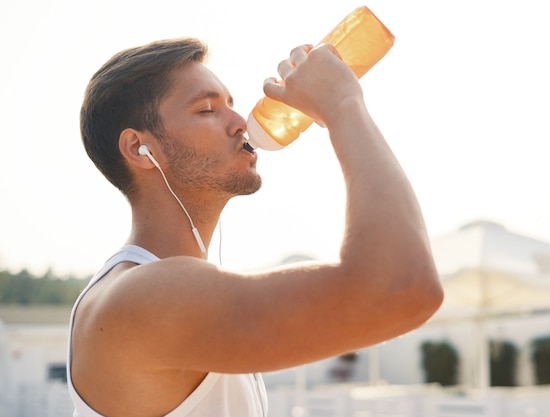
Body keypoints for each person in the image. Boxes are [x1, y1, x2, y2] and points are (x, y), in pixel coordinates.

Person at [67, 37, 443, 417]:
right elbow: (402, 287)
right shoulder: (139, 299)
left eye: (230, 104)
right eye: (206, 109)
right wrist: (342, 104)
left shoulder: (168, 291)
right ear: (138, 148)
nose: (239, 122)